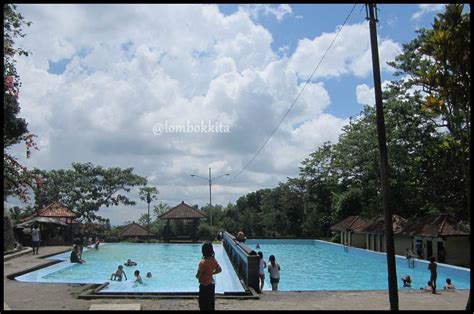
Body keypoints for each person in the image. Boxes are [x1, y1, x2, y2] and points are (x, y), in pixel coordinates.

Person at [196, 242, 222, 311]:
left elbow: (198, 275)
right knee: (210, 303)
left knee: (203, 304)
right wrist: (211, 273)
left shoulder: (203, 262)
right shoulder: (213, 260)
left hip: (204, 285)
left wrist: (198, 276)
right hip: (211, 284)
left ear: (203, 251)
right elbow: (219, 269)